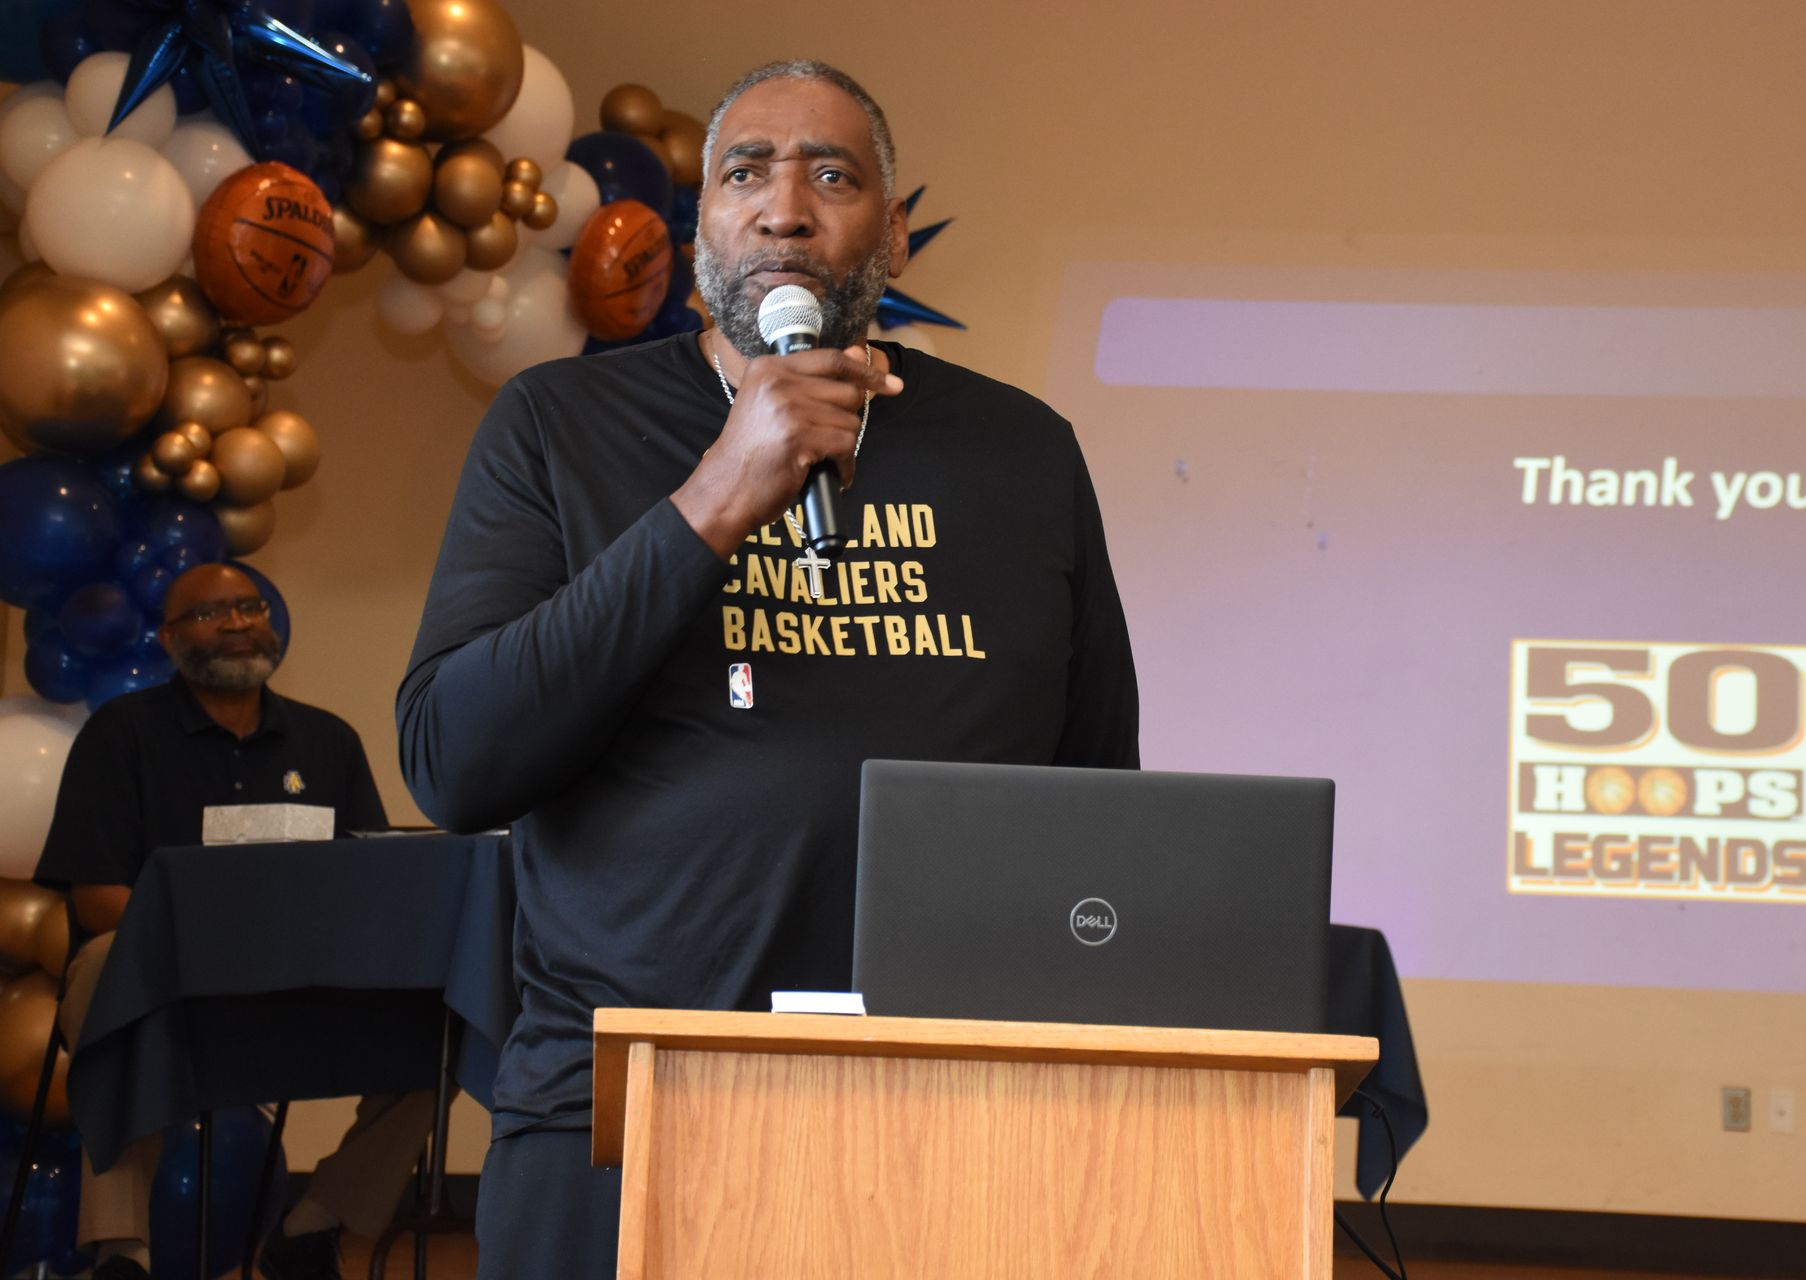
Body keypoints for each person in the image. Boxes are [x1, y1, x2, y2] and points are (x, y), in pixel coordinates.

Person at [398, 59, 1140, 1276]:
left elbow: (1096, 792)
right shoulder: (554, 426)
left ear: (893, 239)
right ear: (703, 227)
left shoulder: (1024, 452)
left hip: (948, 1108)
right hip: (623, 1107)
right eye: (746, 173)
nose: (785, 209)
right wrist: (716, 495)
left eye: (833, 177)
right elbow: (455, 761)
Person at [35, 563, 431, 1280]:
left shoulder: (327, 740)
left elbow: (366, 879)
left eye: (251, 606)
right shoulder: (122, 735)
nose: (239, 622)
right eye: (211, 612)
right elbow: (96, 900)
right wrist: (211, 942)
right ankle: (122, 1252)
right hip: (168, 988)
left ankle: (315, 1223)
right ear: (169, 638)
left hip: (304, 990)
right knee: (101, 967)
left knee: (445, 1014)